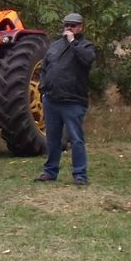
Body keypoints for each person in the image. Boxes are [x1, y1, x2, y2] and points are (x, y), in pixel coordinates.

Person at [34, 12, 96, 185]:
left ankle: (80, 175)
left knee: (76, 139)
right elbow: (45, 66)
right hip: (52, 100)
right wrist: (43, 86)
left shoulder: (85, 46)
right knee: (52, 139)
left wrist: (72, 42)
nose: (68, 28)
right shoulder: (54, 46)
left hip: (73, 101)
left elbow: (87, 60)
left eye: (73, 25)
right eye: (66, 25)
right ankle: (50, 172)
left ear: (80, 27)